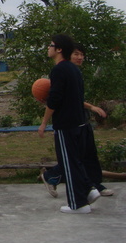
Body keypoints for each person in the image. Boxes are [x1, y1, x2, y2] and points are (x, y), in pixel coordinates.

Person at [40, 43, 114, 197]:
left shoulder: (73, 72)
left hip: (80, 121)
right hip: (69, 124)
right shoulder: (61, 71)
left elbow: (73, 98)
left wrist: (91, 107)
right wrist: (44, 122)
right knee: (73, 159)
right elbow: (58, 99)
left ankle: (91, 184)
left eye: (82, 55)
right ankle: (61, 181)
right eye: (76, 54)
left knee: (86, 156)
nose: (80, 57)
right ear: (67, 54)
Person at [38, 34, 100, 214]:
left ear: (58, 49)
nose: (48, 48)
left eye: (51, 45)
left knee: (69, 163)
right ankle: (88, 190)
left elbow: (55, 100)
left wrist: (43, 123)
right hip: (79, 123)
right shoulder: (73, 69)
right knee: (73, 161)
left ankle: (77, 204)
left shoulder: (58, 70)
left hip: (66, 125)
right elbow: (74, 97)